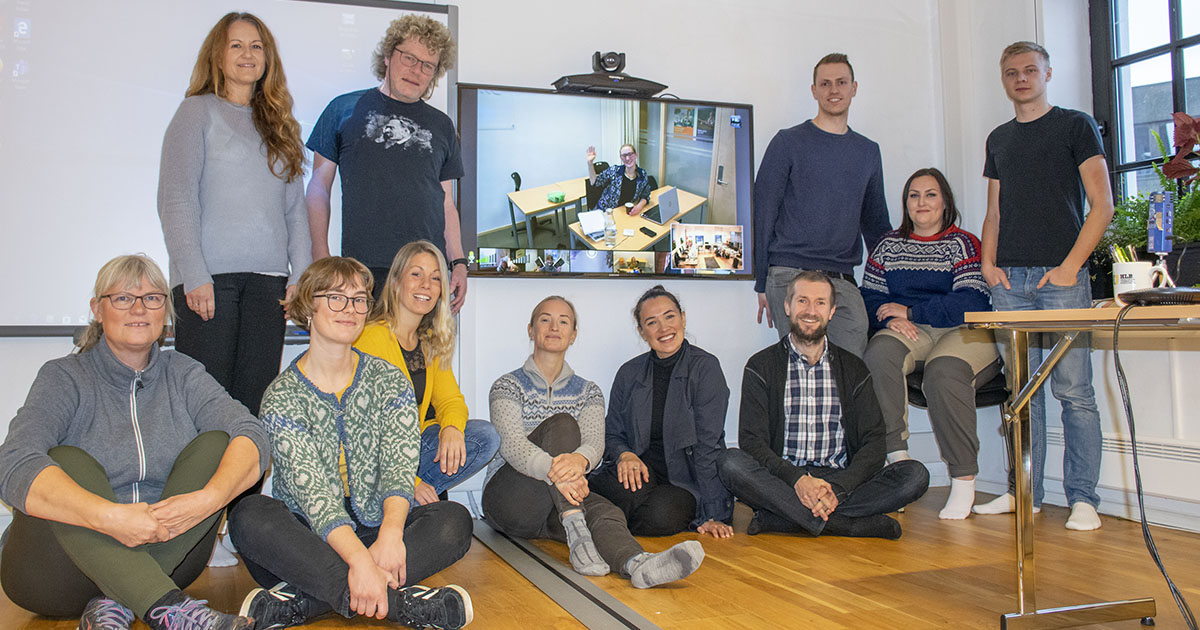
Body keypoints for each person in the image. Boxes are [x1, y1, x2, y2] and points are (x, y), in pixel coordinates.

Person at [0, 254, 268, 630]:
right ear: (98, 309)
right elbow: (12, 460)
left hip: (166, 556)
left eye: (152, 298)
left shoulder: (184, 373)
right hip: (57, 573)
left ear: (165, 311)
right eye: (123, 298)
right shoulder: (64, 377)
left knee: (218, 445)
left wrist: (208, 501)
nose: (139, 309)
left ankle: (127, 602)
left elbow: (251, 433)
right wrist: (110, 518)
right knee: (66, 459)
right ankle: (168, 607)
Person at [228, 257, 473, 630]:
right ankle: (400, 605)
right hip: (308, 535)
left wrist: (391, 534)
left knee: (454, 520)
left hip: (375, 526)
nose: (351, 309)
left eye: (359, 300)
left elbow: (399, 466)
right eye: (336, 298)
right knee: (248, 516)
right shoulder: (282, 396)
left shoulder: (388, 380)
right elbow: (315, 498)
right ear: (308, 306)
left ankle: (304, 603)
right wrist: (360, 562)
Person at [974, 42, 1114, 531]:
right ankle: (1024, 494)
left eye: (1030, 70)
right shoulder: (998, 139)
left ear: (1047, 74)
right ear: (1003, 79)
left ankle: (1083, 499)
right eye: (1011, 72)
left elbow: (1102, 205)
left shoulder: (1076, 126)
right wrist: (988, 264)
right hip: (1010, 282)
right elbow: (994, 212)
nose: (1021, 78)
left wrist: (1071, 267)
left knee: (1074, 391)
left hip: (1062, 279)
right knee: (1021, 394)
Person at [482, 296, 705, 588]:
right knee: (563, 425)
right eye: (545, 319)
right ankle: (575, 519)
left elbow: (594, 445)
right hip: (510, 500)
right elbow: (513, 446)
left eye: (564, 321)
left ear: (573, 334)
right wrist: (559, 472)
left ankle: (637, 564)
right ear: (531, 330)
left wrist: (580, 461)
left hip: (556, 504)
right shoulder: (507, 385)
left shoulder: (589, 392)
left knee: (608, 511)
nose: (554, 327)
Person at [157, 12, 311, 417]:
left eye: (256, 46)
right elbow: (176, 200)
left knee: (253, 408)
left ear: (267, 58)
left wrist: (300, 276)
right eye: (237, 45)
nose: (248, 54)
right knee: (205, 408)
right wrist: (194, 274)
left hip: (269, 286)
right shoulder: (194, 113)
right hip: (208, 285)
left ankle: (249, 467)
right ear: (218, 55)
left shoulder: (282, 127)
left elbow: (296, 211)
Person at [719, 271, 930, 539]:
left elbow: (874, 442)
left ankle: (783, 518)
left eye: (820, 303)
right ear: (787, 307)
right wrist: (798, 480)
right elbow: (751, 441)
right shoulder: (760, 366)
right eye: (802, 301)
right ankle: (849, 525)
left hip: (841, 480)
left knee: (915, 475)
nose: (810, 311)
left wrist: (837, 489)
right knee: (730, 463)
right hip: (784, 478)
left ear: (831, 311)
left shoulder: (854, 368)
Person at [860, 168, 998, 520]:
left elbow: (970, 301)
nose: (922, 202)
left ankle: (963, 479)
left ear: (945, 201)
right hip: (911, 330)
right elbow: (870, 296)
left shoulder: (964, 244)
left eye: (931, 194)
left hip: (963, 330)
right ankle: (898, 463)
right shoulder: (888, 246)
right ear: (905, 203)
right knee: (879, 353)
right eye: (914, 195)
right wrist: (889, 318)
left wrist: (911, 310)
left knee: (944, 371)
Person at [306, 15, 468, 311]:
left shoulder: (443, 126)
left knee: (426, 344)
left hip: (426, 275)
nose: (416, 70)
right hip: (362, 273)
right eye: (409, 58)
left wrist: (458, 262)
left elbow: (446, 203)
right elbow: (318, 187)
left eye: (427, 65)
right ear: (388, 55)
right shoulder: (343, 109)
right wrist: (320, 257)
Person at [753, 53, 891, 358]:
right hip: (790, 275)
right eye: (825, 83)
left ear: (854, 88)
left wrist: (893, 285)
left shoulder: (868, 152)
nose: (833, 90)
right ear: (814, 90)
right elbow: (762, 213)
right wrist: (761, 282)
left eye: (841, 82)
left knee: (851, 369)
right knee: (802, 369)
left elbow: (876, 224)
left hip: (841, 279)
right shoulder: (787, 143)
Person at [354, 240, 500, 506]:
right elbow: (362, 428)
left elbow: (450, 400)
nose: (426, 285)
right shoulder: (370, 338)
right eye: (416, 274)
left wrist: (451, 428)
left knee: (484, 436)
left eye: (435, 278)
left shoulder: (430, 340)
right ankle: (396, 497)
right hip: (371, 454)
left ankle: (403, 503)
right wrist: (409, 480)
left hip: (412, 445)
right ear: (395, 282)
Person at [590, 286, 734, 538]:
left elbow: (708, 446)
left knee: (659, 516)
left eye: (670, 317)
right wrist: (625, 455)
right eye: (652, 322)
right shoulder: (628, 373)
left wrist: (713, 514)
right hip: (640, 471)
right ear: (641, 331)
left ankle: (603, 522)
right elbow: (612, 432)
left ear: (683, 318)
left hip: (685, 481)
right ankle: (610, 517)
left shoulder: (705, 368)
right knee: (614, 489)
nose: (663, 328)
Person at [585, 144, 652, 215]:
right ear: (621, 158)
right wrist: (590, 163)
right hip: (606, 211)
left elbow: (645, 195)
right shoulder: (614, 171)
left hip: (624, 212)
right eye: (624, 156)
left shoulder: (642, 174)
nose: (627, 158)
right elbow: (595, 182)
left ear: (636, 155)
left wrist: (639, 207)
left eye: (630, 154)